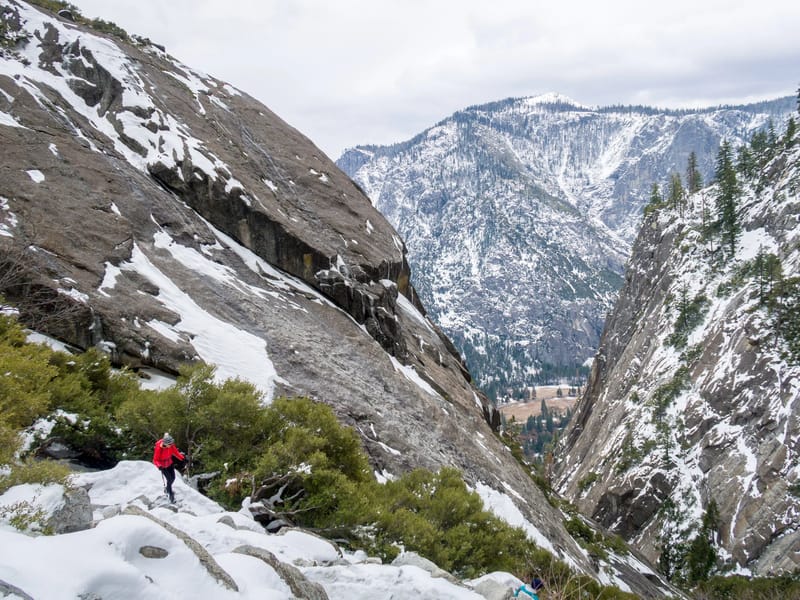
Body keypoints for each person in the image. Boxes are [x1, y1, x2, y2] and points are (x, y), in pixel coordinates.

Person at [152, 433, 185, 503]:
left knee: (173, 478)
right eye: (169, 444)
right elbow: (155, 460)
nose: (171, 445)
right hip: (162, 465)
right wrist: (159, 466)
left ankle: (167, 488)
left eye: (171, 444)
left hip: (169, 462)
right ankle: (170, 494)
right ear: (165, 443)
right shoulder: (159, 448)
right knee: (169, 479)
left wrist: (182, 459)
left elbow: (176, 452)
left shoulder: (170, 445)